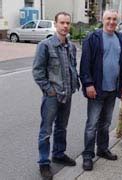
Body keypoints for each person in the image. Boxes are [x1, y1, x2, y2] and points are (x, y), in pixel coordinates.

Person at [80, 9, 122, 171]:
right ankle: (88, 155)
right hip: (96, 89)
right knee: (92, 124)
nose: (111, 22)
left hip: (112, 89)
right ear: (102, 20)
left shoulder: (120, 39)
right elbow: (85, 64)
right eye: (108, 19)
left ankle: (102, 149)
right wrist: (88, 84)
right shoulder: (93, 38)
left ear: (118, 21)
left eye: (114, 19)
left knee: (106, 123)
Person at [32, 12, 80, 180]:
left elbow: (72, 68)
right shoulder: (45, 45)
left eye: (68, 23)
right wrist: (48, 89)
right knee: (46, 130)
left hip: (67, 94)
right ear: (56, 24)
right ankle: (44, 162)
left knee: (62, 127)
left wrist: (75, 84)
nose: (65, 26)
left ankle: (58, 153)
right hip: (52, 96)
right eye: (62, 22)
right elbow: (38, 71)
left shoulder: (71, 46)